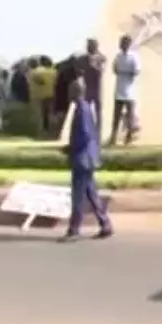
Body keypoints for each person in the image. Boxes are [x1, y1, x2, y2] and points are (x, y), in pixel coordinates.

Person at [59, 78, 113, 242]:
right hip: (88, 158)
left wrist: (71, 148)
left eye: (70, 91)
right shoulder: (85, 108)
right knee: (91, 193)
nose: (68, 94)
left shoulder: (81, 110)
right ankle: (105, 224)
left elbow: (84, 135)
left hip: (82, 159)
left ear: (76, 91)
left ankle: (74, 229)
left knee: (78, 195)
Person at [110, 35, 141, 145]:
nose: (122, 45)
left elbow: (137, 70)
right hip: (119, 89)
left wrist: (125, 72)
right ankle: (113, 137)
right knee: (116, 115)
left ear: (128, 44)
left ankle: (129, 137)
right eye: (121, 43)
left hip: (130, 90)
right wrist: (122, 71)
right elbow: (114, 69)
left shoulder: (133, 56)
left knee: (130, 115)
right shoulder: (118, 56)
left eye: (124, 43)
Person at [77, 39, 107, 135]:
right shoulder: (82, 59)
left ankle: (98, 132)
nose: (88, 47)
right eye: (88, 45)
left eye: (90, 45)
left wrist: (93, 65)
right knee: (86, 110)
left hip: (97, 87)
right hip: (86, 87)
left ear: (95, 46)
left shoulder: (101, 58)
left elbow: (101, 71)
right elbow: (78, 71)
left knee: (98, 110)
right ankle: (86, 130)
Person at [29, 56, 57, 135]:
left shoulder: (34, 72)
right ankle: (51, 131)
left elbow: (40, 81)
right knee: (49, 115)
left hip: (37, 96)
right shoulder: (54, 72)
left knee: (39, 116)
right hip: (51, 95)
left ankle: (41, 132)